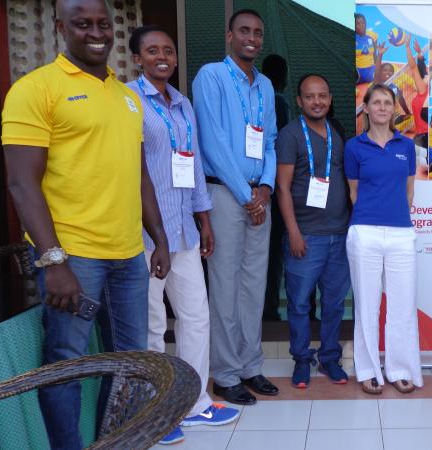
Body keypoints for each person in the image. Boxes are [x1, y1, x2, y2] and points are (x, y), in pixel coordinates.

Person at [1, 1, 170, 448]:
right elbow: (21, 184)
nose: (95, 33)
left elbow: (139, 177)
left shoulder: (127, 97)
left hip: (128, 257)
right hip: (74, 257)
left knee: (133, 363)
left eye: (102, 24)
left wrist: (159, 238)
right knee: (67, 363)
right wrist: (53, 260)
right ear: (60, 27)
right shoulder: (36, 89)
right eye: (82, 24)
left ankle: (118, 442)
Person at [127, 26, 240, 445]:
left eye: (168, 51)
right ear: (137, 58)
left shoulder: (183, 104)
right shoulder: (129, 101)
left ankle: (193, 403)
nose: (162, 56)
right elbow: (130, 171)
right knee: (153, 324)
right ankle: (155, 411)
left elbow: (191, 167)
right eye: (152, 51)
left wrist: (204, 219)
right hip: (145, 235)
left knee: (195, 317)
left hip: (184, 231)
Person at [192, 8, 280, 405]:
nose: (252, 38)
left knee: (253, 287)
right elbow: (212, 143)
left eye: (258, 33)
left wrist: (265, 186)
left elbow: (271, 143)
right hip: (227, 197)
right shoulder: (210, 76)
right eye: (244, 31)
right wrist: (247, 197)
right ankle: (225, 373)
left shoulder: (263, 86)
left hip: (258, 198)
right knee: (225, 287)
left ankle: (250, 366)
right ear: (229, 36)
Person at [345, 83, 422, 395]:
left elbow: (409, 191)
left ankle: (400, 369)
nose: (381, 107)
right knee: (367, 305)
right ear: (365, 107)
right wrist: (372, 217)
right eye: (375, 102)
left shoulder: (406, 145)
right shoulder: (354, 147)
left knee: (402, 306)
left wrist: (395, 218)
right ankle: (368, 369)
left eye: (386, 103)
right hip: (365, 232)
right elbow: (353, 192)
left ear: (394, 109)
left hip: (401, 233)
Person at [276, 73, 351, 389]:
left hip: (339, 235)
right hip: (306, 236)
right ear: (299, 101)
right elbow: (282, 187)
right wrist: (293, 231)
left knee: (334, 304)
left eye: (322, 95)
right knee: (300, 304)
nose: (317, 101)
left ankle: (330, 358)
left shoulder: (337, 133)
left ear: (330, 98)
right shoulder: (291, 135)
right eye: (310, 96)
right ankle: (302, 361)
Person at [261, 53, 291, 323]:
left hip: (259, 186)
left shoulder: (260, 99)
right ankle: (269, 310)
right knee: (272, 257)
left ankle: (264, 309)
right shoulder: (278, 103)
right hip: (273, 187)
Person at [355, 13, 378, 84]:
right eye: (358, 23)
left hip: (371, 74)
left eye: (363, 23)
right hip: (358, 75)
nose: (361, 25)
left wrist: (376, 70)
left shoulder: (371, 38)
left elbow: (375, 55)